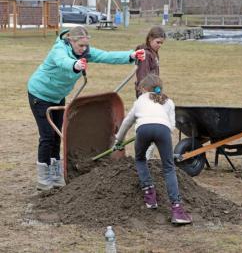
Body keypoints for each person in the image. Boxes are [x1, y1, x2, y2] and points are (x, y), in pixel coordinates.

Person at [27, 26, 145, 191]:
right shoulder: (59, 49)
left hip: (57, 97)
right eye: (80, 46)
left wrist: (131, 55)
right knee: (47, 136)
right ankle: (43, 177)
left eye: (85, 46)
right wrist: (75, 65)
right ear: (71, 41)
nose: (84, 49)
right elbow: (63, 61)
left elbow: (106, 55)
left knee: (57, 136)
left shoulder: (85, 52)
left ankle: (55, 173)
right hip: (39, 94)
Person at [115, 73, 192, 224]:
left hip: (143, 129)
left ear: (144, 88)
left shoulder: (140, 100)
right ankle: (177, 210)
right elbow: (171, 125)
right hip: (163, 130)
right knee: (169, 168)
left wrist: (119, 140)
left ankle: (150, 195)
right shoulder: (169, 102)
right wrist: (159, 134)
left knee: (140, 158)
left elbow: (127, 122)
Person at [135, 26, 166, 159]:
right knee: (150, 126)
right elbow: (143, 77)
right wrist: (147, 96)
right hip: (146, 95)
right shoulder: (146, 54)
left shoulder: (152, 52)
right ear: (150, 39)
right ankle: (144, 158)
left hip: (153, 93)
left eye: (162, 43)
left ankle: (147, 156)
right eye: (157, 42)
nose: (159, 45)